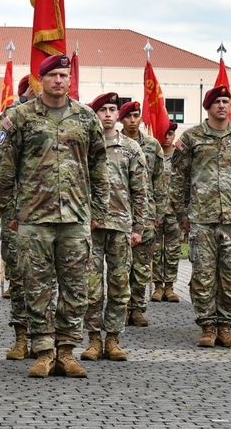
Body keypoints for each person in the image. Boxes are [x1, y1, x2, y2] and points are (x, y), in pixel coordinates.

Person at [0, 56, 107, 379]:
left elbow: (99, 168)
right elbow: (6, 170)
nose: (59, 80)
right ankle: (43, 351)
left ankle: (67, 351)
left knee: (75, 289)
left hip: (75, 217)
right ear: (39, 79)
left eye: (64, 74)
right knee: (37, 288)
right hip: (34, 217)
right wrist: (8, 212)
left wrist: (98, 211)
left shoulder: (86, 118)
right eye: (52, 75)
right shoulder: (19, 117)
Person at [170, 86, 231, 347]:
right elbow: (179, 179)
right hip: (201, 217)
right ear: (207, 107)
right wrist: (181, 213)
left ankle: (227, 325)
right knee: (203, 274)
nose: (222, 106)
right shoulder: (192, 137)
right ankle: (207, 326)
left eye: (225, 101)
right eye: (217, 102)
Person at [82, 92, 146, 362]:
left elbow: (141, 191)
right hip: (91, 226)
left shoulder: (131, 148)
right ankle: (94, 339)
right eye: (102, 110)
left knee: (120, 284)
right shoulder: (84, 146)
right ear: (94, 114)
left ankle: (114, 339)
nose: (108, 114)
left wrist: (139, 227)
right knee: (91, 285)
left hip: (121, 226)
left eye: (112, 109)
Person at [0, 74, 34, 361]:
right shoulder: (8, 120)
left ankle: (45, 338)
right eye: (31, 89)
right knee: (18, 276)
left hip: (49, 212)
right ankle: (21, 337)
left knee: (47, 280)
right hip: (17, 212)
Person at [118, 100, 164, 324]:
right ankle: (122, 307)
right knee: (121, 264)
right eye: (128, 116)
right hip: (120, 211)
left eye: (136, 115)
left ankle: (137, 307)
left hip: (146, 213)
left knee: (143, 264)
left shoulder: (153, 146)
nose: (133, 120)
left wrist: (159, 213)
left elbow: (159, 181)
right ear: (121, 119)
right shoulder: (116, 143)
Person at [152, 122, 183, 303]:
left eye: (170, 133)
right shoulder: (153, 154)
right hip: (156, 211)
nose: (167, 137)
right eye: (164, 133)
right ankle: (157, 286)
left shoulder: (180, 155)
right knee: (155, 250)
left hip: (174, 211)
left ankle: (170, 287)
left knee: (172, 251)